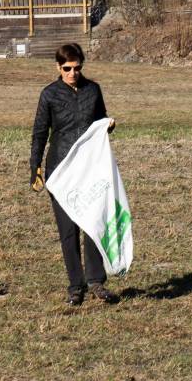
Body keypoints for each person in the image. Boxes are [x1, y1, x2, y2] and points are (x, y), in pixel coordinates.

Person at [30, 43, 118, 306]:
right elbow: (39, 133)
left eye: (77, 68)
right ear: (58, 67)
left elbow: (100, 121)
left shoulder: (93, 90)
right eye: (67, 68)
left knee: (92, 225)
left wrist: (109, 125)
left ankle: (96, 282)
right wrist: (35, 168)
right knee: (68, 231)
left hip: (90, 168)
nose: (72, 73)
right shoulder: (49, 95)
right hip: (61, 171)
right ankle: (75, 286)